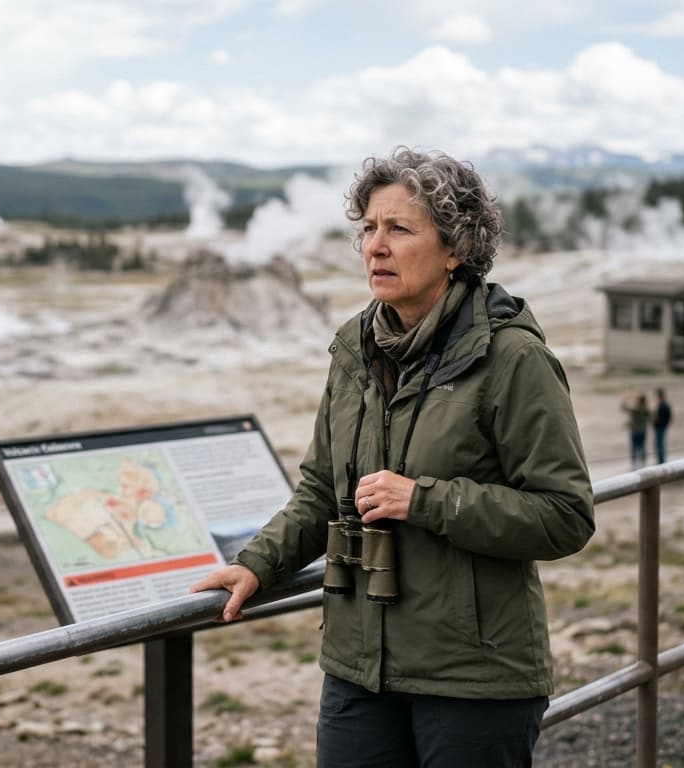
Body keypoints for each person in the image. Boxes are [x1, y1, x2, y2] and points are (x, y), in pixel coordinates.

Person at [190, 148, 594, 767]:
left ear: (456, 247)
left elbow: (565, 514)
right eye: (368, 229)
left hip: (472, 680)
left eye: (399, 229)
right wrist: (256, 565)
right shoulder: (355, 347)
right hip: (359, 670)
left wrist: (425, 501)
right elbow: (323, 489)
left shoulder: (512, 359)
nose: (376, 246)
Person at [622, 393, 650, 468]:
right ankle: (643, 463)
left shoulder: (636, 409)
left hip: (635, 431)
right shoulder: (646, 409)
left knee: (634, 448)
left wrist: (625, 399)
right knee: (642, 447)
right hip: (642, 431)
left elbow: (624, 408)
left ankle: (634, 464)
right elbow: (651, 419)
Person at [652, 388, 672, 464]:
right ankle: (661, 460)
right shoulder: (665, 405)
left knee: (659, 445)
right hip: (662, 427)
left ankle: (661, 461)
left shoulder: (662, 405)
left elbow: (660, 418)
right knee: (660, 444)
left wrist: (655, 422)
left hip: (660, 427)